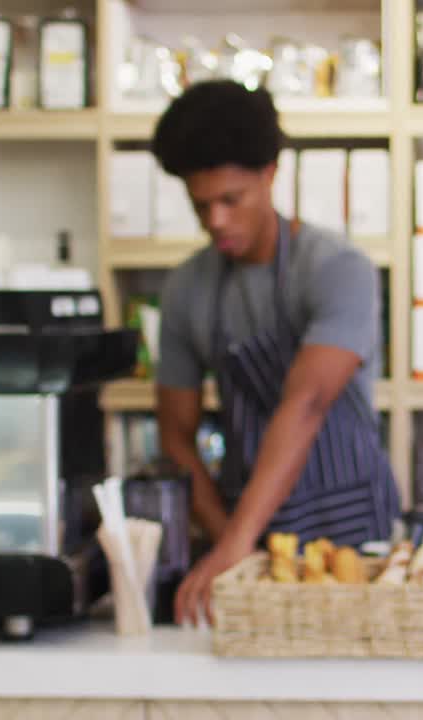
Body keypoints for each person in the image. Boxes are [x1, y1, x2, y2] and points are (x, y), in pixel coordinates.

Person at [152, 80, 398, 626]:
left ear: (269, 175)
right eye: (200, 205)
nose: (215, 220)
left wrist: (238, 543)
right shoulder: (187, 290)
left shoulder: (337, 269)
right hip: (244, 520)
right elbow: (175, 435)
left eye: (230, 200)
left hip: (350, 529)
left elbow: (306, 405)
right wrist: (231, 541)